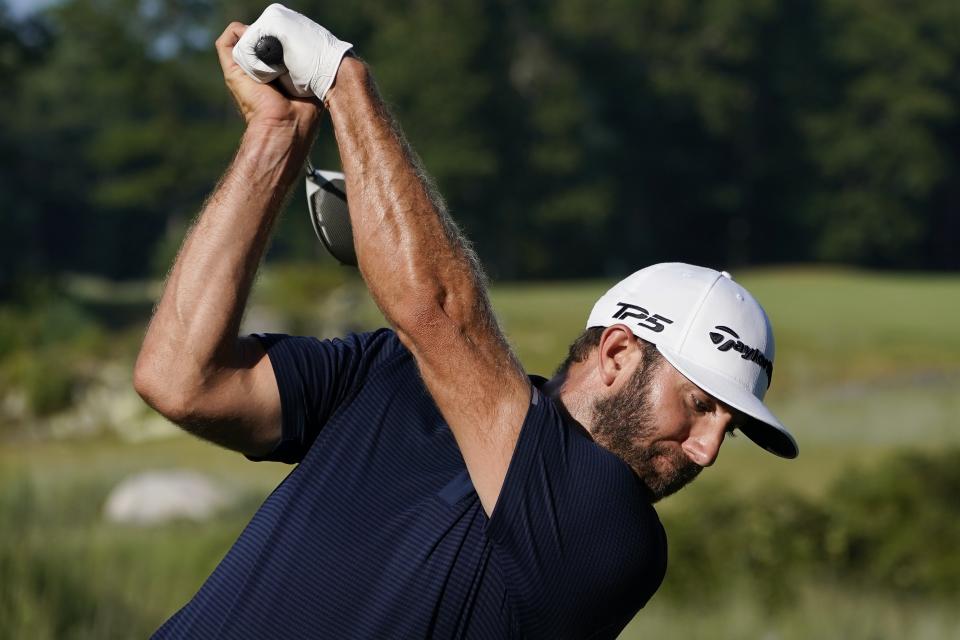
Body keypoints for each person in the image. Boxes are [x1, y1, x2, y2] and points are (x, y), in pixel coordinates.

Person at [133, 5, 798, 638]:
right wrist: (275, 140)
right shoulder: (391, 371)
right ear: (618, 353)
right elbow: (181, 379)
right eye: (700, 406)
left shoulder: (614, 538)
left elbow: (439, 315)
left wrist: (343, 77)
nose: (707, 450)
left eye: (727, 429)